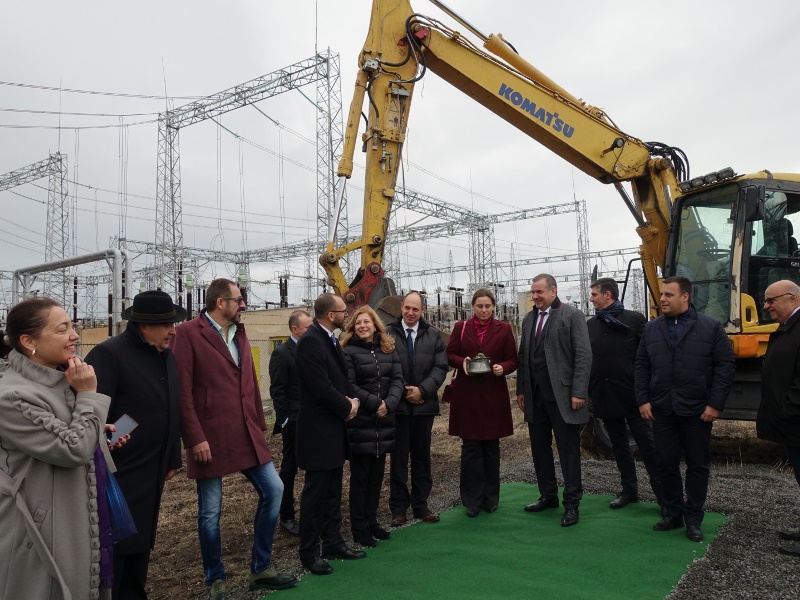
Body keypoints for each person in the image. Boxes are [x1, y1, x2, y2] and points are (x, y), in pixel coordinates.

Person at [171, 278, 297, 599]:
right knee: (210, 512)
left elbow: (250, 382)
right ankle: (216, 580)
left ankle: (261, 568)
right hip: (209, 438)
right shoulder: (187, 334)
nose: (243, 304)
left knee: (275, 490)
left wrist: (258, 423)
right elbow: (181, 391)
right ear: (220, 303)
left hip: (246, 432)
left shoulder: (239, 332)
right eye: (238, 300)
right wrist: (194, 438)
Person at [0, 298, 113, 600]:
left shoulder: (62, 380)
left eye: (72, 326)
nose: (74, 335)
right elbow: (73, 449)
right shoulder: (12, 397)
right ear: (29, 341)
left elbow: (72, 435)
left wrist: (99, 435)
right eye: (62, 329)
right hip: (42, 534)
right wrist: (88, 395)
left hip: (74, 519)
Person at [86, 290, 185, 600]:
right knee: (117, 543)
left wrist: (172, 456)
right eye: (167, 324)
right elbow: (90, 412)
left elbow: (171, 408)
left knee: (141, 542)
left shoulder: (164, 356)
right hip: (119, 472)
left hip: (152, 469)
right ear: (144, 326)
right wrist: (107, 443)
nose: (173, 331)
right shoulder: (109, 354)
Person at [635, 276, 735, 542]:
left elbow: (725, 366)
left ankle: (693, 519)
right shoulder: (651, 328)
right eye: (662, 295)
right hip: (662, 410)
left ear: (685, 296)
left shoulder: (710, 327)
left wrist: (715, 404)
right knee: (666, 463)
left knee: (697, 466)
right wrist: (643, 399)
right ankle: (673, 513)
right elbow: (642, 365)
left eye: (668, 295)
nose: (662, 299)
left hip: (697, 411)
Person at [295, 293, 364, 575]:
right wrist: (347, 406)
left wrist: (353, 399)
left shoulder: (330, 339)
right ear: (330, 315)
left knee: (333, 490)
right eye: (343, 310)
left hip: (333, 428)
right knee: (316, 494)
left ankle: (333, 542)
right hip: (318, 432)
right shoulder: (311, 341)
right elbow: (320, 387)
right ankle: (309, 552)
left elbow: (340, 380)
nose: (347, 314)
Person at [516, 274, 591, 528]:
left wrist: (578, 391)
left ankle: (572, 504)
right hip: (536, 397)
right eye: (533, 292)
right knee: (540, 448)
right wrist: (522, 390)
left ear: (553, 291)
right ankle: (548, 496)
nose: (535, 296)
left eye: (539, 292)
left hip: (564, 397)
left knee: (568, 451)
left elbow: (583, 355)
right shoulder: (529, 319)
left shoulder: (572, 316)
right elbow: (523, 356)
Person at [587, 278, 663, 512]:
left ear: (608, 295)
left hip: (633, 395)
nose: (591, 298)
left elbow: (648, 356)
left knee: (648, 446)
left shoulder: (634, 320)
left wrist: (647, 390)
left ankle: (664, 498)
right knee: (619, 446)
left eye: (594, 294)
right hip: (605, 394)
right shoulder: (591, 325)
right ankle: (629, 491)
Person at [446, 288, 518, 517]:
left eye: (488, 306)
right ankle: (472, 500)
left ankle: (490, 498)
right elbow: (450, 354)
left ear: (493, 306)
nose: (484, 310)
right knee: (470, 449)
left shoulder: (504, 329)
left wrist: (502, 368)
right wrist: (463, 362)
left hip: (493, 395)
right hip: (467, 396)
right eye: (480, 306)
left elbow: (513, 359)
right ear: (472, 307)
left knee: (491, 448)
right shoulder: (461, 327)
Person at [341, 305, 404, 546]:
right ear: (353, 327)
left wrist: (389, 403)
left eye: (366, 322)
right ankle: (359, 527)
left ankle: (372, 520)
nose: (362, 326)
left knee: (377, 476)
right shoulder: (348, 351)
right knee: (360, 478)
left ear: (375, 324)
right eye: (358, 323)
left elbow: (397, 379)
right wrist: (375, 403)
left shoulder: (388, 349)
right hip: (361, 422)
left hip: (384, 421)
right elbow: (349, 385)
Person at [386, 291, 448, 526]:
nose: (410, 313)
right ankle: (398, 509)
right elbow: (386, 365)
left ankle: (421, 505)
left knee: (422, 457)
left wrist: (422, 390)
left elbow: (440, 368)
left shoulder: (433, 336)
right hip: (398, 407)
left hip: (424, 407)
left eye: (415, 309)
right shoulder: (388, 334)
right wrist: (403, 391)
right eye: (407, 308)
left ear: (422, 310)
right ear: (401, 307)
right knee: (399, 460)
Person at [756, 280, 800, 557]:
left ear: (792, 298)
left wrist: (786, 411)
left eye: (772, 300)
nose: (766, 306)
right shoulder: (789, 328)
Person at [268, 309, 313, 537]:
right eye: (307, 327)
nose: (312, 331)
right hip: (294, 422)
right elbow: (278, 390)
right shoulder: (282, 354)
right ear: (294, 329)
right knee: (289, 469)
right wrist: (285, 420)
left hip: (314, 420)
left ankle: (313, 513)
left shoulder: (312, 349)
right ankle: (286, 516)